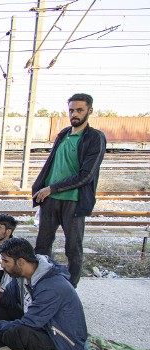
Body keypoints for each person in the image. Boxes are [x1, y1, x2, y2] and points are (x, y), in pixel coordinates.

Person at [0, 238, 88, 350]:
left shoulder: (52, 287)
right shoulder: (23, 275)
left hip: (61, 346)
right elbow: (9, 300)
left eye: (6, 261)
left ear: (20, 262)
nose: (2, 265)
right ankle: (4, 337)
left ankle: (1, 338)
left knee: (19, 332)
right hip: (38, 325)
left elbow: (29, 323)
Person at [32, 93, 106, 288]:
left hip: (73, 201)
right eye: (71, 110)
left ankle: (70, 290)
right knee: (42, 246)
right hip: (49, 199)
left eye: (79, 110)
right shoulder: (63, 134)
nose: (74, 114)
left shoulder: (95, 137)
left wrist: (51, 188)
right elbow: (52, 164)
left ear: (90, 111)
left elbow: (86, 175)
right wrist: (42, 187)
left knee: (73, 249)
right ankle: (40, 286)